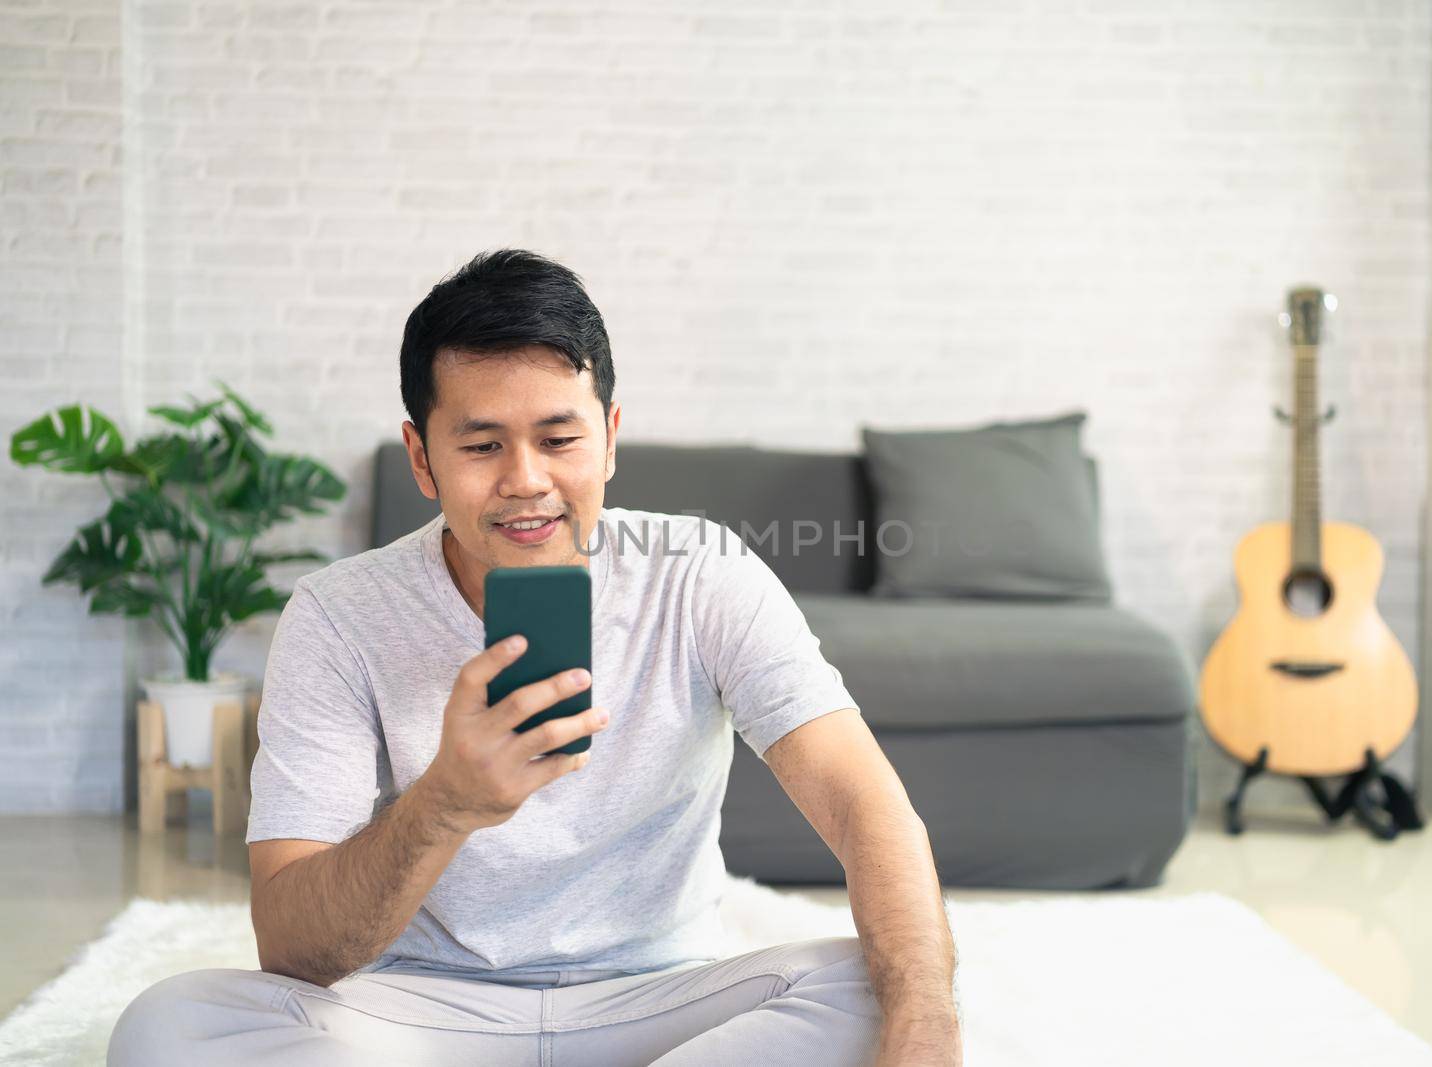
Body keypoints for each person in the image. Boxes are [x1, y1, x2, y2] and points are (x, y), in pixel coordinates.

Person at [109, 249, 961, 1066]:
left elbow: (864, 806)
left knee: (895, 977)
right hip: (423, 1013)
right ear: (422, 457)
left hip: (662, 1003)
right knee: (171, 1027)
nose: (526, 480)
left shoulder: (704, 572)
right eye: (482, 446)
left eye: (559, 438)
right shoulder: (338, 615)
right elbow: (290, 946)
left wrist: (923, 1031)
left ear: (611, 436)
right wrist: (445, 803)